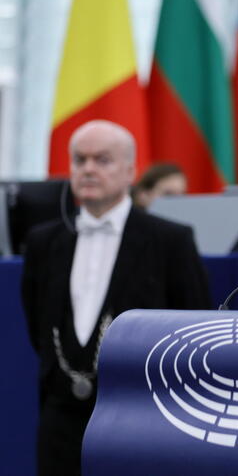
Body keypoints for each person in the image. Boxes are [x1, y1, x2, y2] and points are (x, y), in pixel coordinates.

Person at [21, 120, 211, 476]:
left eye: (102, 160)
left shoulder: (170, 241)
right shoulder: (42, 242)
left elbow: (194, 327)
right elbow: (38, 326)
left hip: (142, 417)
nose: (88, 169)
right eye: (79, 160)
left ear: (130, 171)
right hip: (59, 416)